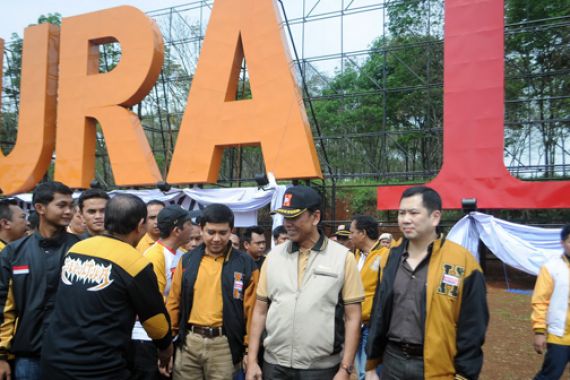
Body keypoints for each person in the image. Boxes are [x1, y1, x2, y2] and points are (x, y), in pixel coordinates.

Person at [41, 194, 173, 379]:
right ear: (140, 223)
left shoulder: (76, 249)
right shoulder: (135, 264)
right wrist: (166, 348)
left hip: (54, 359)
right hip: (99, 366)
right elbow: (155, 320)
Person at [365, 186, 489, 380]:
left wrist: (465, 374)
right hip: (391, 361)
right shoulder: (389, 259)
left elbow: (473, 327)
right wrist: (372, 364)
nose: (405, 219)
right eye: (401, 213)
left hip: (436, 366)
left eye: (414, 213)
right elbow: (379, 313)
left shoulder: (463, 262)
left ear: (435, 217)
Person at [247, 185, 364, 380]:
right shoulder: (273, 257)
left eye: (294, 217)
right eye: (285, 217)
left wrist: (345, 369)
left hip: (321, 369)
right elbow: (259, 312)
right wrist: (252, 360)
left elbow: (353, 318)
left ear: (315, 217)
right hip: (275, 366)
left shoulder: (342, 258)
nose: (288, 224)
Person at [166, 204, 259, 380]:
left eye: (223, 233)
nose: (216, 238)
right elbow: (174, 302)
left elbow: (252, 311)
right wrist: (168, 344)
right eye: (211, 232)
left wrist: (248, 351)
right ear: (201, 229)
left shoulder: (246, 265)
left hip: (224, 345)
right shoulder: (187, 261)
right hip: (189, 343)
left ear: (231, 230)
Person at [0, 182, 79, 380]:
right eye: (61, 205)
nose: (68, 211)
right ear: (40, 208)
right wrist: (1, 355)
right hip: (28, 356)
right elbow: (3, 306)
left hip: (72, 354)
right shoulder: (14, 252)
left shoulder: (81, 249)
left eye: (71, 205)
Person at [131, 205, 193, 380]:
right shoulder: (154, 256)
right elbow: (152, 301)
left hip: (170, 335)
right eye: (189, 223)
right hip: (147, 338)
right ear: (177, 230)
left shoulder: (183, 254)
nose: (193, 227)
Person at [349, 215, 387, 380]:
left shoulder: (385, 255)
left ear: (362, 233)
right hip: (353, 323)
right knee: (357, 369)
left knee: (368, 372)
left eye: (352, 232)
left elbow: (386, 292)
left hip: (371, 325)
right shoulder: (355, 255)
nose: (350, 236)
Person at [531, 224, 570, 379]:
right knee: (551, 374)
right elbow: (540, 301)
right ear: (562, 243)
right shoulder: (551, 267)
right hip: (559, 334)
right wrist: (539, 331)